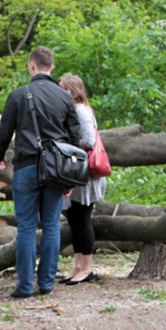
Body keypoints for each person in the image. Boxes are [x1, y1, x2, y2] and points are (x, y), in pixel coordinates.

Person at [0, 46, 81, 298]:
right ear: (51, 67)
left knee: (26, 227)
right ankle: (46, 283)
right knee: (52, 225)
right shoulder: (65, 97)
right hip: (56, 170)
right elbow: (75, 138)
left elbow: (4, 132)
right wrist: (69, 173)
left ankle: (24, 286)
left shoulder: (19, 95)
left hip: (27, 167)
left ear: (32, 65)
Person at [57, 73, 107, 285]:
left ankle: (86, 268)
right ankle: (78, 265)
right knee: (74, 219)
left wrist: (65, 146)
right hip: (75, 171)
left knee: (82, 219)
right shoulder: (73, 110)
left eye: (63, 89)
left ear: (73, 91)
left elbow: (87, 140)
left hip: (84, 172)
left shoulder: (80, 110)